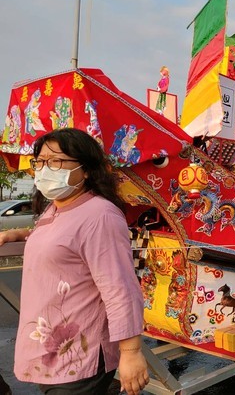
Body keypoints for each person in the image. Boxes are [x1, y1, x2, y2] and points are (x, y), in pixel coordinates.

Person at [0, 128, 148, 395]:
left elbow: (120, 288)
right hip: (51, 347)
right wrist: (17, 234)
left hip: (81, 353)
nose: (45, 169)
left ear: (86, 169)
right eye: (41, 161)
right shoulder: (55, 208)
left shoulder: (100, 214)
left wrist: (131, 352)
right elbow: (62, 240)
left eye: (56, 161)